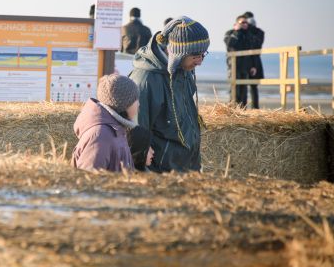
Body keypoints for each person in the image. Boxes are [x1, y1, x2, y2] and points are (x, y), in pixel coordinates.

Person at [129, 16, 210, 172]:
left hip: (186, 168)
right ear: (176, 53)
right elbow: (135, 135)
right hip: (160, 174)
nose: (200, 61)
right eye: (196, 55)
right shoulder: (145, 81)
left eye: (203, 54)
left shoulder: (183, 72)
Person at [72, 74, 152, 172]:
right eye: (136, 100)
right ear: (123, 104)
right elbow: (88, 179)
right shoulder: (101, 135)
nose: (139, 104)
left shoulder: (117, 130)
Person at [224, 15, 254, 107]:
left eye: (246, 22)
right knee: (234, 89)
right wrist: (236, 31)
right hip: (233, 65)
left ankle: (242, 110)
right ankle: (232, 109)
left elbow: (252, 51)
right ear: (236, 24)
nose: (245, 24)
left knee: (243, 90)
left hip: (245, 66)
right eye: (242, 22)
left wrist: (253, 65)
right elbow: (229, 43)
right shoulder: (230, 33)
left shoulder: (248, 35)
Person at [244, 11, 265, 109]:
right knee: (249, 86)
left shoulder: (256, 32)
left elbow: (255, 45)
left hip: (252, 60)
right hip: (252, 59)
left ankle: (254, 108)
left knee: (251, 86)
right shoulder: (259, 32)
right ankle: (253, 107)